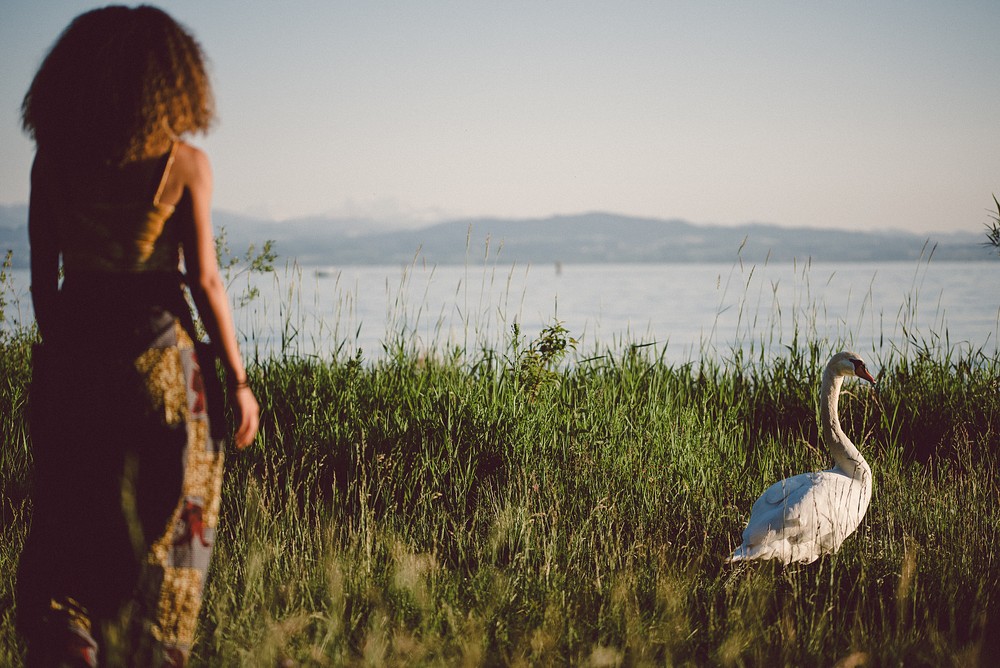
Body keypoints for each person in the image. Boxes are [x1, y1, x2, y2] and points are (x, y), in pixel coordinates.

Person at [16, 5, 260, 666]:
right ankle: (154, 650)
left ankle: (72, 638)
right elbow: (207, 281)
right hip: (160, 359)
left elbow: (43, 282)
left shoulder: (52, 162)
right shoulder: (186, 163)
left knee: (71, 513)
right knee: (175, 525)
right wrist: (238, 381)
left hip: (74, 349)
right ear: (172, 80)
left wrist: (66, 354)